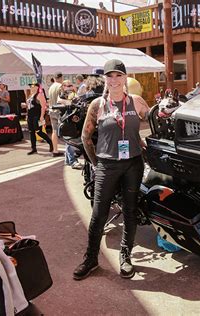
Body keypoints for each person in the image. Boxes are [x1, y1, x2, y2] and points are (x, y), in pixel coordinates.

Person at [73, 59, 150, 280]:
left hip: (133, 165)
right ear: (105, 79)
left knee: (129, 211)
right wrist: (96, 163)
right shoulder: (97, 105)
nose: (114, 80)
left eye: (118, 75)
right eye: (110, 76)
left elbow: (153, 119)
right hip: (107, 165)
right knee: (99, 214)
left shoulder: (136, 102)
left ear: (126, 78)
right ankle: (91, 259)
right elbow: (86, 137)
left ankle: (125, 256)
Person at [60, 80, 82, 169]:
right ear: (63, 87)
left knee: (69, 141)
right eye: (67, 85)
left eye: (70, 85)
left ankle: (68, 160)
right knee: (70, 140)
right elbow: (61, 103)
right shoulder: (62, 95)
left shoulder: (74, 94)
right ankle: (73, 161)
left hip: (73, 121)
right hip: (66, 121)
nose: (69, 87)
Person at [26, 83, 53, 155]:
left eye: (32, 86)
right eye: (30, 86)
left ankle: (50, 142)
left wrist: (41, 116)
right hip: (30, 116)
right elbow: (29, 106)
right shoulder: (30, 95)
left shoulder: (39, 95)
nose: (31, 87)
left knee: (38, 131)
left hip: (36, 116)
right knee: (31, 132)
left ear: (37, 87)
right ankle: (33, 148)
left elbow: (43, 106)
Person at [47, 73, 64, 157]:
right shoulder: (60, 86)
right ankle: (69, 153)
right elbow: (63, 99)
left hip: (51, 110)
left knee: (54, 130)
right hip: (59, 110)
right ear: (61, 78)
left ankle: (55, 150)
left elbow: (49, 100)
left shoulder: (51, 87)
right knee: (64, 130)